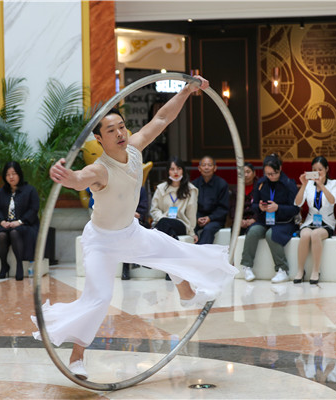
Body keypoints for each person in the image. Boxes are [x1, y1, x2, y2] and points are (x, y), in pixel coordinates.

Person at [38, 76, 236, 380]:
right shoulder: (99, 169)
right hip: (101, 242)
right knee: (99, 298)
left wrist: (187, 91)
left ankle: (186, 293)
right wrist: (66, 176)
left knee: (173, 250)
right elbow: (78, 179)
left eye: (121, 127)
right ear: (99, 139)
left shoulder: (134, 148)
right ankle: (77, 357)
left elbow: (162, 118)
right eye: (111, 130)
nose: (119, 133)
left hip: (130, 233)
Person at [239, 154, 299, 283]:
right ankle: (247, 266)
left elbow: (295, 209)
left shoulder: (289, 184)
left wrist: (278, 208)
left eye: (274, 173)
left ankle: (282, 269)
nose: (271, 176)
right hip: (264, 220)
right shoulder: (261, 183)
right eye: (268, 174)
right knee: (253, 232)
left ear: (280, 169)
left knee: (271, 235)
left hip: (284, 222)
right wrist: (260, 207)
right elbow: (254, 205)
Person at [0, 161, 40, 281]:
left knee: (14, 232)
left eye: (14, 173)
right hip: (6, 224)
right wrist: (2, 222)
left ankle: (19, 265)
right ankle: (4, 265)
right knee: (1, 235)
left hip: (26, 224)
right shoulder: (2, 192)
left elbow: (33, 209)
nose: (11, 177)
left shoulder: (30, 190)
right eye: (8, 174)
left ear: (19, 174)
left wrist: (20, 221)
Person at [294, 156, 336, 284]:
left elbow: (333, 201)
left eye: (320, 169)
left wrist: (321, 185)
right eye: (314, 170)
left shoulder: (334, 183)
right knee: (305, 235)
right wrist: (303, 185)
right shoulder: (308, 185)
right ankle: (300, 270)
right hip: (310, 221)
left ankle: (315, 270)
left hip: (327, 222)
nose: (317, 172)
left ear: (326, 169)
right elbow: (298, 203)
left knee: (315, 235)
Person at [151, 157, 199, 243]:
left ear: (183, 170)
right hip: (162, 220)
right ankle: (174, 240)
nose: (176, 172)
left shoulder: (191, 190)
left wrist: (191, 232)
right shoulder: (161, 188)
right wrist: (162, 218)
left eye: (179, 169)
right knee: (164, 223)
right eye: (172, 169)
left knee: (162, 226)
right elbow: (154, 209)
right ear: (168, 171)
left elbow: (191, 213)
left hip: (181, 224)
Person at [192, 156, 229, 244]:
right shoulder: (193, 185)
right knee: (189, 230)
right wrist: (197, 218)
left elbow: (223, 208)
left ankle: (201, 251)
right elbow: (191, 206)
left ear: (215, 168)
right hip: (197, 219)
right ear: (199, 168)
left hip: (215, 220)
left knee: (208, 229)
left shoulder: (222, 184)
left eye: (209, 165)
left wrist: (210, 218)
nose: (206, 168)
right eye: (204, 165)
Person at [121, 186, 149, 280]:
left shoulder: (141, 190)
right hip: (121, 221)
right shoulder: (119, 188)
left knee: (132, 227)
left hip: (137, 219)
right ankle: (130, 263)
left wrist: (133, 214)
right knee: (127, 227)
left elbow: (143, 208)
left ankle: (126, 267)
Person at [240, 162, 257, 234]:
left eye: (248, 172)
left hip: (256, 221)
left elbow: (263, 206)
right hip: (240, 221)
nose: (245, 175)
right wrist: (239, 220)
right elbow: (233, 208)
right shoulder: (237, 190)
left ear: (254, 173)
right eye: (243, 173)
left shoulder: (260, 188)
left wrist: (254, 219)